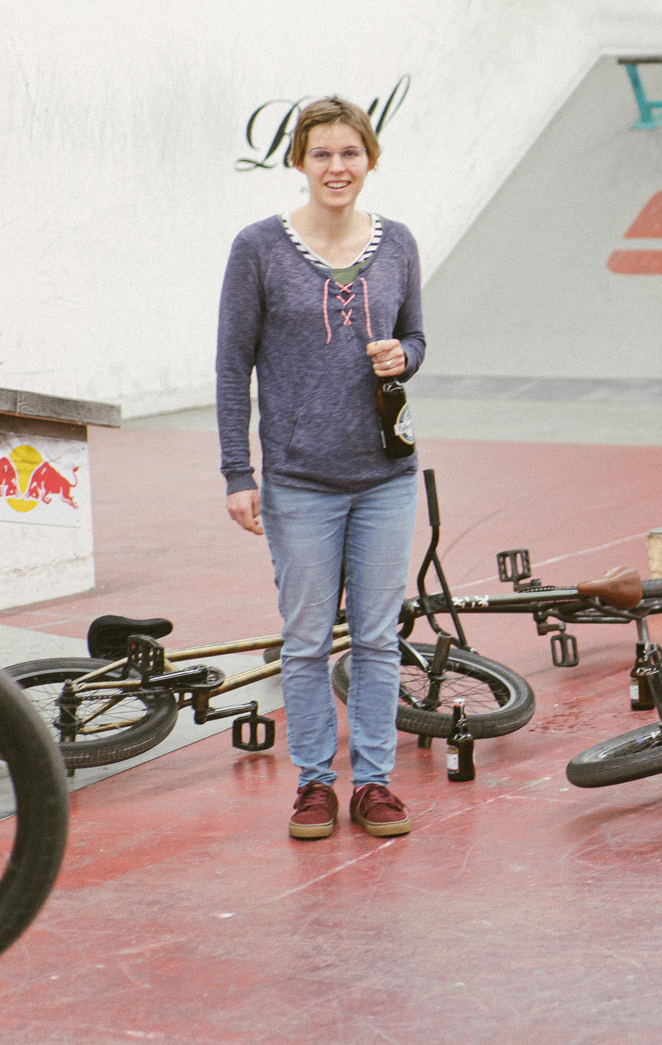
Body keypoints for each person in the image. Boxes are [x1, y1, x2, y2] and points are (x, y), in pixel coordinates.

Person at [217, 96, 425, 840]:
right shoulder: (259, 248)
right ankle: (312, 783)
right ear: (299, 161)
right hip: (300, 481)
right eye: (322, 154)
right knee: (305, 639)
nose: (337, 167)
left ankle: (373, 783)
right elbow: (231, 363)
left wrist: (408, 355)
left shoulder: (397, 242)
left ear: (370, 160)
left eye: (351, 153)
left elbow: (417, 335)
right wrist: (238, 472)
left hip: (385, 479)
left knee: (376, 638)